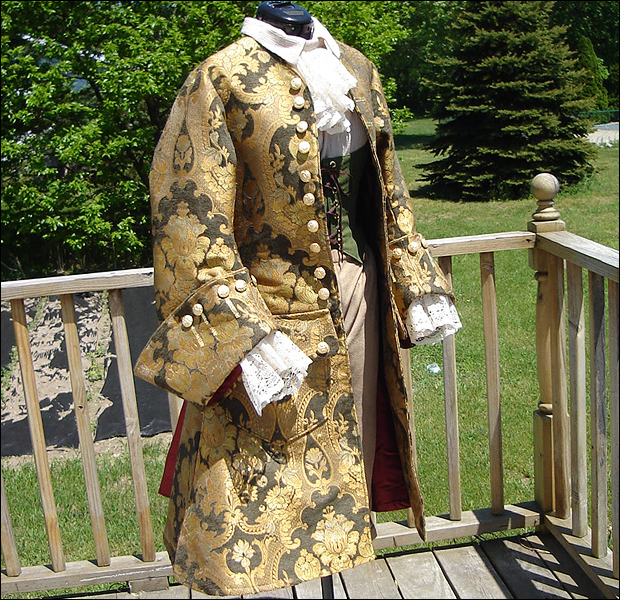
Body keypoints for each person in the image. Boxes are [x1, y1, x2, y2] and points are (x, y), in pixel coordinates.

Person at [135, 2, 461, 596]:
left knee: (346, 463)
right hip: (267, 323)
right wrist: (240, 333)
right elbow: (188, 213)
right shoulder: (221, 77)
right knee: (259, 488)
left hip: (357, 296)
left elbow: (388, 186)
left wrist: (412, 276)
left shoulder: (356, 68)